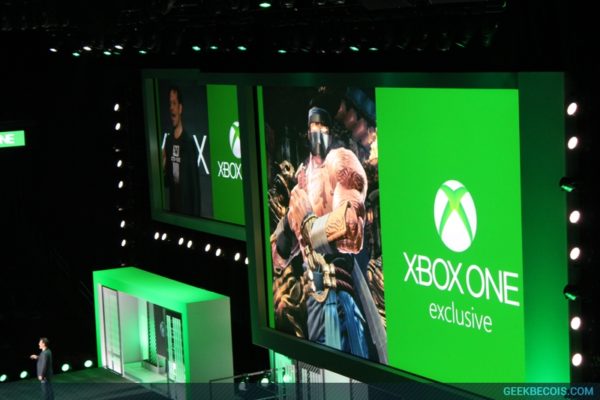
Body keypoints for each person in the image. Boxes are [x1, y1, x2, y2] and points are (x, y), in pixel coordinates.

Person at [271, 104, 387, 363]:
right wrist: (289, 226)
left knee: (345, 375)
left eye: (323, 127)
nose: (318, 133)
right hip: (313, 299)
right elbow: (276, 257)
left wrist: (307, 221)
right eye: (314, 127)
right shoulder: (302, 177)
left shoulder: (340, 161)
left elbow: (350, 230)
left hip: (339, 293)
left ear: (331, 132)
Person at [162, 86, 201, 216]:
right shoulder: (168, 142)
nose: (171, 107)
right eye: (170, 104)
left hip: (187, 212)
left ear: (180, 108)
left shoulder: (188, 143)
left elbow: (195, 187)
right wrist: (163, 166)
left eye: (174, 103)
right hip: (174, 210)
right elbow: (167, 183)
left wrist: (196, 219)